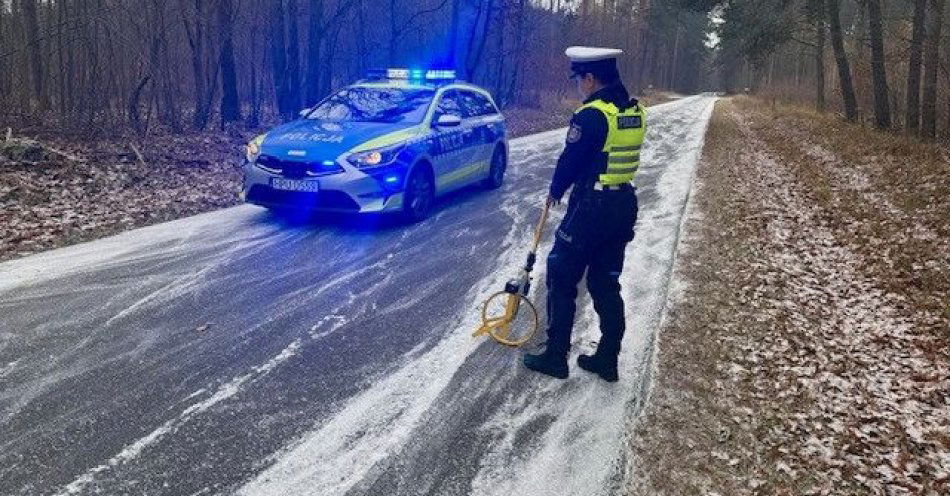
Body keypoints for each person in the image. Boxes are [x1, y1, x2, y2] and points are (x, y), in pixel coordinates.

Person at [523, 46, 646, 382]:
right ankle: (607, 358)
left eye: (579, 79)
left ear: (591, 79)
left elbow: (571, 160)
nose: (578, 85)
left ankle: (555, 356)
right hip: (622, 204)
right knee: (604, 280)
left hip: (592, 207)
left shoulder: (593, 114)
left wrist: (554, 191)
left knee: (561, 272)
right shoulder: (634, 110)